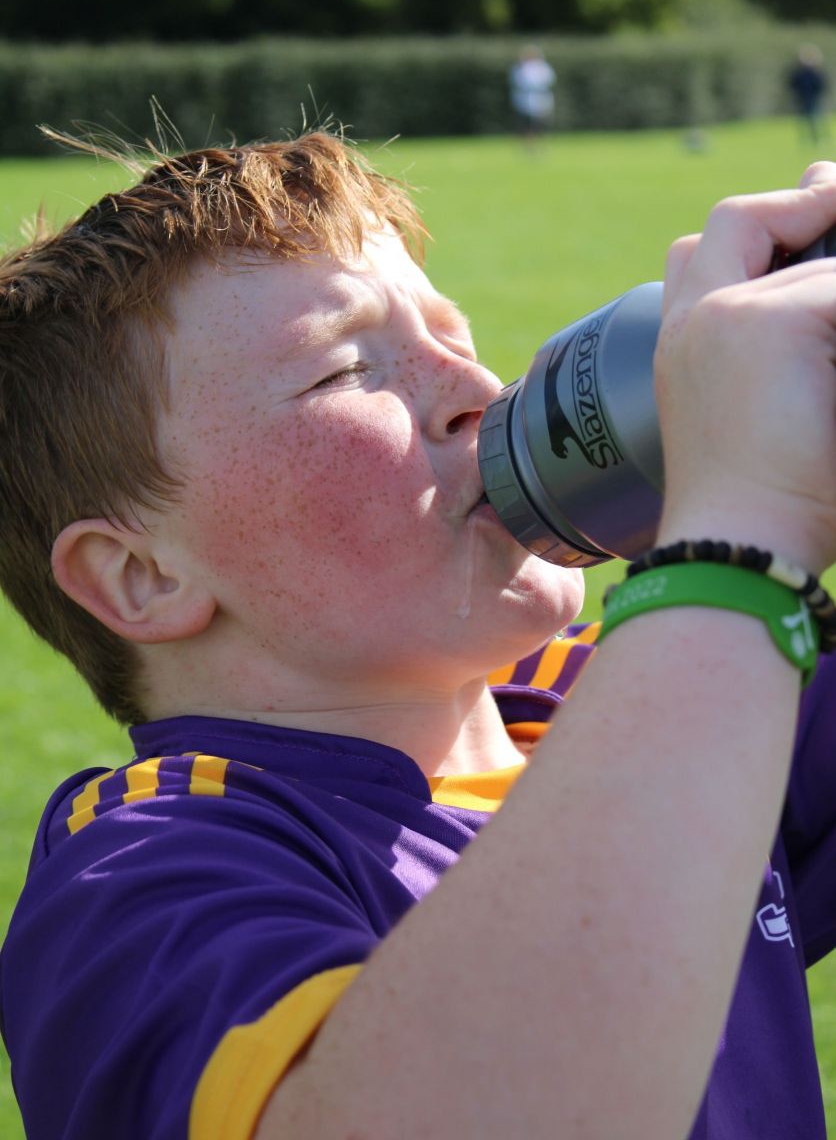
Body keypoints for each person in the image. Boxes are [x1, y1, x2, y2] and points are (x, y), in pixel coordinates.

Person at [2, 130, 836, 1140]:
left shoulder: (593, 702)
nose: (477, 393)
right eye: (344, 370)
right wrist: (732, 544)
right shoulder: (140, 880)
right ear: (142, 574)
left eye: (452, 333)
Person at [509, 44, 556, 142]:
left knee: (540, 121)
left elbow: (549, 79)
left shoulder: (542, 67)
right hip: (526, 98)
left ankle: (540, 139)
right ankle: (528, 140)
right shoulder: (521, 67)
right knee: (527, 122)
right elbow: (519, 81)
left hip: (540, 97)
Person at [788, 44, 830, 145]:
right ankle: (806, 139)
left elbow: (822, 84)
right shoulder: (799, 73)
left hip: (814, 98)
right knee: (804, 120)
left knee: (817, 119)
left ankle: (819, 138)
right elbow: (792, 83)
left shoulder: (815, 73)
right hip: (802, 99)